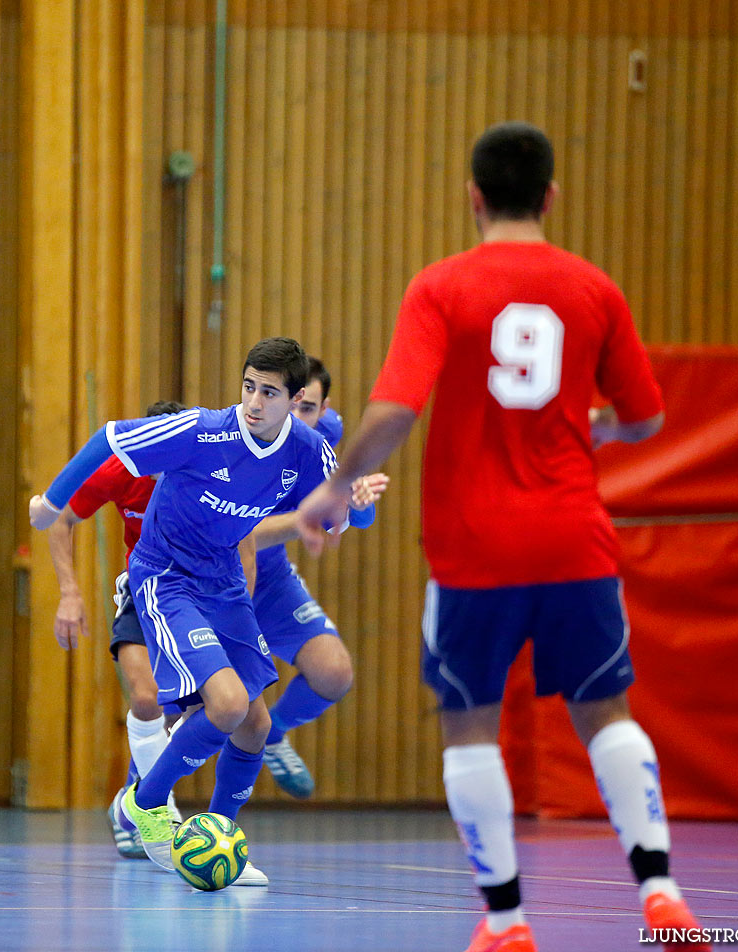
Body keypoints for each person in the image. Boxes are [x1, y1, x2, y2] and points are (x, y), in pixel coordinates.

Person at [294, 122, 709, 952]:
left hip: (473, 548)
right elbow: (649, 415)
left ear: (473, 197)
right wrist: (597, 430)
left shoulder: (443, 286)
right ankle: (660, 891)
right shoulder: (594, 288)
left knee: (469, 723)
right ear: (551, 195)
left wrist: (335, 487)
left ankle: (508, 921)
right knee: (607, 714)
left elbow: (396, 410)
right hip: (571, 540)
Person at [30, 337, 347, 887]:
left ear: (294, 399)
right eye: (248, 386)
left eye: (269, 393)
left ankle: (220, 836)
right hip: (166, 576)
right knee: (224, 704)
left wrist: (347, 512)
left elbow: (342, 517)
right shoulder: (200, 430)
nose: (253, 401)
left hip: (223, 581)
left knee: (255, 723)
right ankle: (143, 801)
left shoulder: (309, 451)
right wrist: (53, 502)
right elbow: (108, 438)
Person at [41, 399, 187, 859]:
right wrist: (70, 592)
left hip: (199, 600)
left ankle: (129, 803)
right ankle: (158, 809)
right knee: (147, 698)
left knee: (202, 714)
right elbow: (59, 517)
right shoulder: (124, 470)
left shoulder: (208, 473)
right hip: (143, 594)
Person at [248, 357, 384, 798]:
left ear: (323, 411)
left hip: (269, 580)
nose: (296, 417)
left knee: (333, 671)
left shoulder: (321, 441)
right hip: (214, 581)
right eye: (291, 403)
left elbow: (353, 519)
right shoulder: (240, 435)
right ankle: (139, 798)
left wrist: (357, 503)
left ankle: (274, 734)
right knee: (194, 703)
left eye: (309, 409)